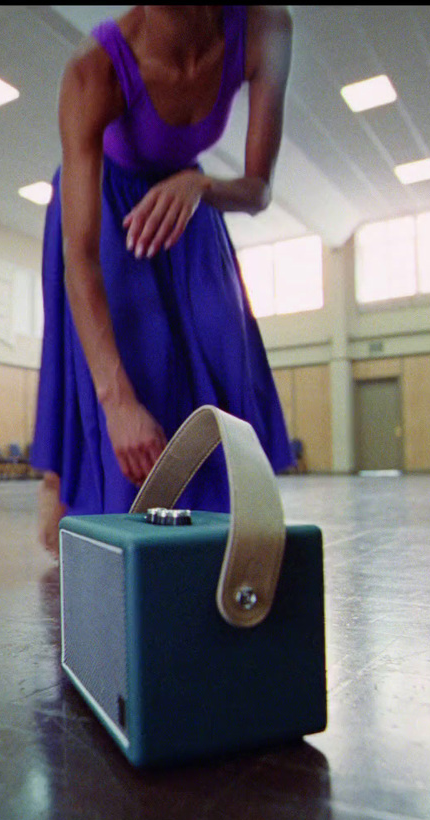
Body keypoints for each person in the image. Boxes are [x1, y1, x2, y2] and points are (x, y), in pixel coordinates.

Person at [31, 5, 296, 555]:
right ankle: (71, 488)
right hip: (106, 205)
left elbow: (258, 190)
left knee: (226, 344)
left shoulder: (266, 27)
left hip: (188, 198)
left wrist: (199, 187)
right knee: (140, 362)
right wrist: (118, 400)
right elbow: (79, 257)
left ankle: (217, 527)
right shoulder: (93, 70)